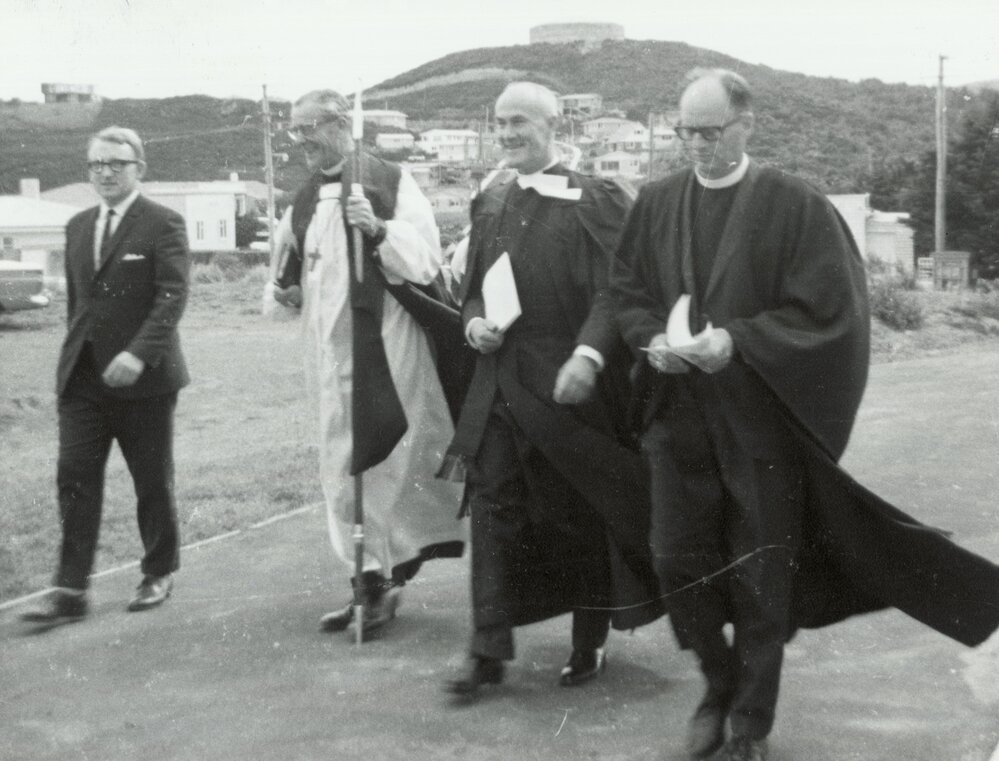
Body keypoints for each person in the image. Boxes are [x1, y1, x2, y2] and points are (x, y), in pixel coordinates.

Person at [610, 68, 999, 761]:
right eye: (684, 133)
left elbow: (831, 312)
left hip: (760, 421)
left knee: (763, 574)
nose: (696, 147)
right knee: (676, 560)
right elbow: (628, 289)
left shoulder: (795, 205)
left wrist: (736, 341)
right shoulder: (656, 201)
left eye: (710, 132)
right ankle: (717, 679)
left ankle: (749, 722)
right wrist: (651, 340)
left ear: (747, 125)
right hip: (678, 416)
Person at [441, 82, 663, 697]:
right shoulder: (491, 200)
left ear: (552, 124)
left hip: (569, 389)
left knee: (578, 512)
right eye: (500, 122)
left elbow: (615, 290)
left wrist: (589, 355)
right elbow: (474, 286)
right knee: (491, 510)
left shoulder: (594, 199)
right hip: (498, 386)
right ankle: (486, 651)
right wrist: (473, 322)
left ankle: (587, 639)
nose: (508, 133)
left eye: (520, 122)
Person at [272, 89, 464, 638]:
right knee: (338, 463)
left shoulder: (389, 182)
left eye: (309, 127)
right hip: (326, 352)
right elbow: (291, 268)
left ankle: (381, 578)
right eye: (293, 130)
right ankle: (366, 581)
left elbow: (427, 260)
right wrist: (284, 292)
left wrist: (379, 228)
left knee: (382, 460)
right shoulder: (305, 197)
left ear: (340, 123)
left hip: (384, 341)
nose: (300, 140)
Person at [22, 126, 190, 625]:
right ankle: (70, 590)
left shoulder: (163, 222)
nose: (106, 173)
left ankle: (157, 572)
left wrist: (138, 354)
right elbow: (80, 304)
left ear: (140, 167)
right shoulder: (76, 226)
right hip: (83, 382)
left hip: (145, 381)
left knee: (151, 481)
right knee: (74, 479)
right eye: (97, 164)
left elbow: (172, 295)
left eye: (117, 163)